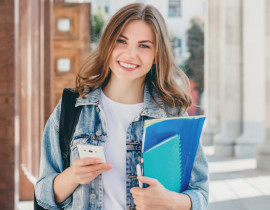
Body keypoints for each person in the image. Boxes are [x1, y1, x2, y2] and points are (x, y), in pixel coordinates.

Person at [35, 3, 209, 210]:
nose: (130, 54)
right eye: (121, 41)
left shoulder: (172, 114)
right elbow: (43, 194)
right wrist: (72, 176)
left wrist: (171, 202)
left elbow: (200, 195)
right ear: (108, 43)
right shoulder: (73, 107)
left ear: (156, 55)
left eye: (144, 45)